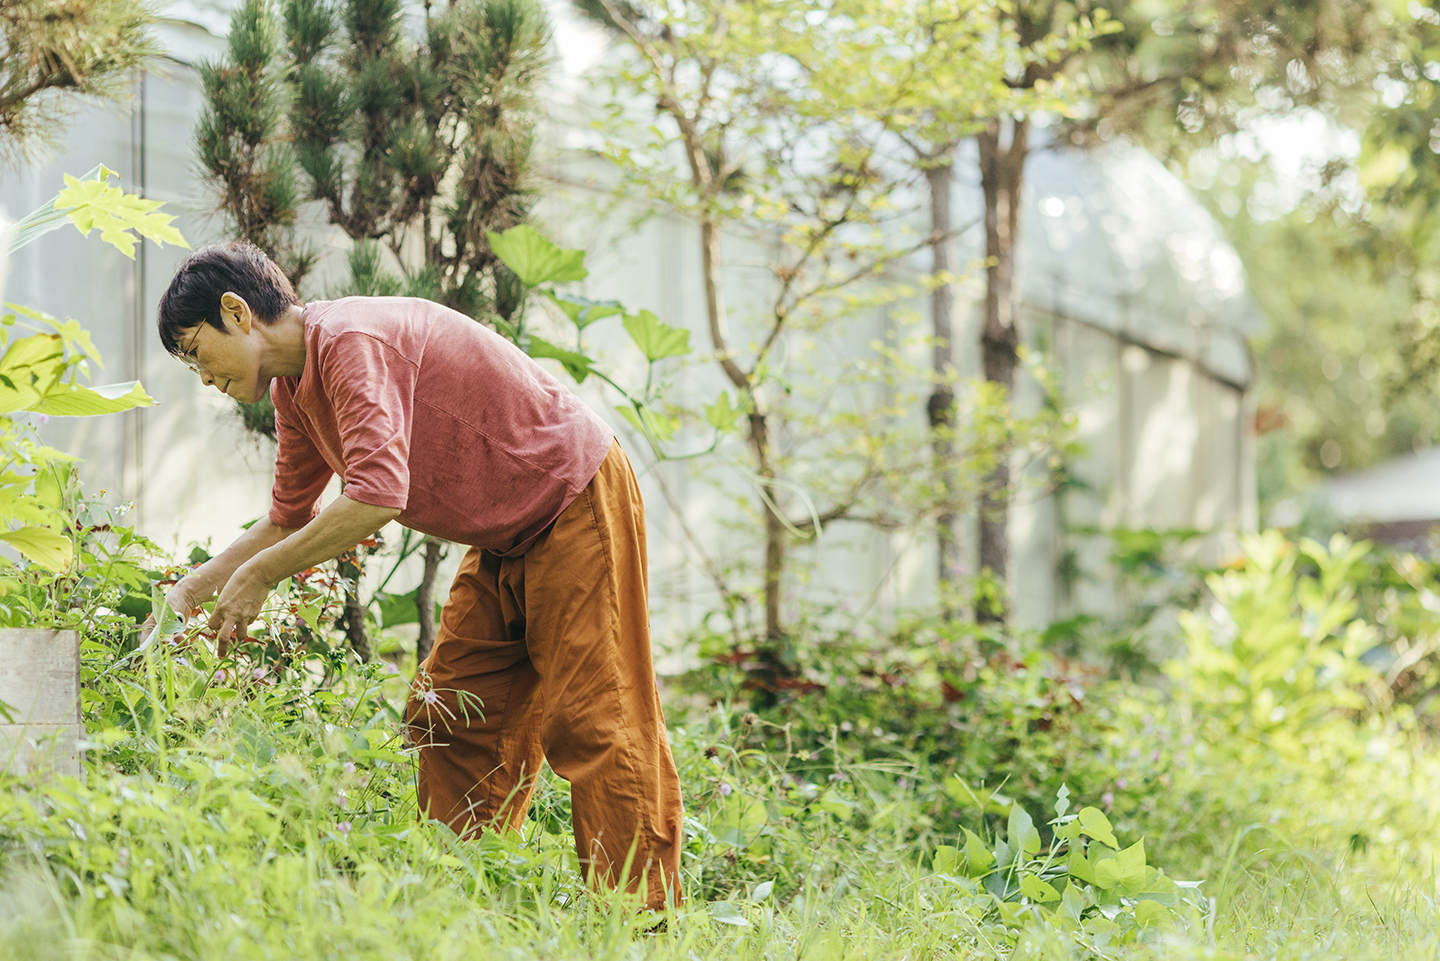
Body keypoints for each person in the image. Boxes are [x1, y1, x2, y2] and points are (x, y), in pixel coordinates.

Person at [149, 241, 684, 909]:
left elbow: (376, 495)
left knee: (596, 720)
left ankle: (641, 925)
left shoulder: (348, 341)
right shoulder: (292, 390)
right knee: (450, 711)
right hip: (503, 536)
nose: (202, 377)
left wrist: (259, 577)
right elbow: (287, 519)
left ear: (237, 312)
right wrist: (186, 593)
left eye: (198, 352)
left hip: (571, 498)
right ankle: (463, 900)